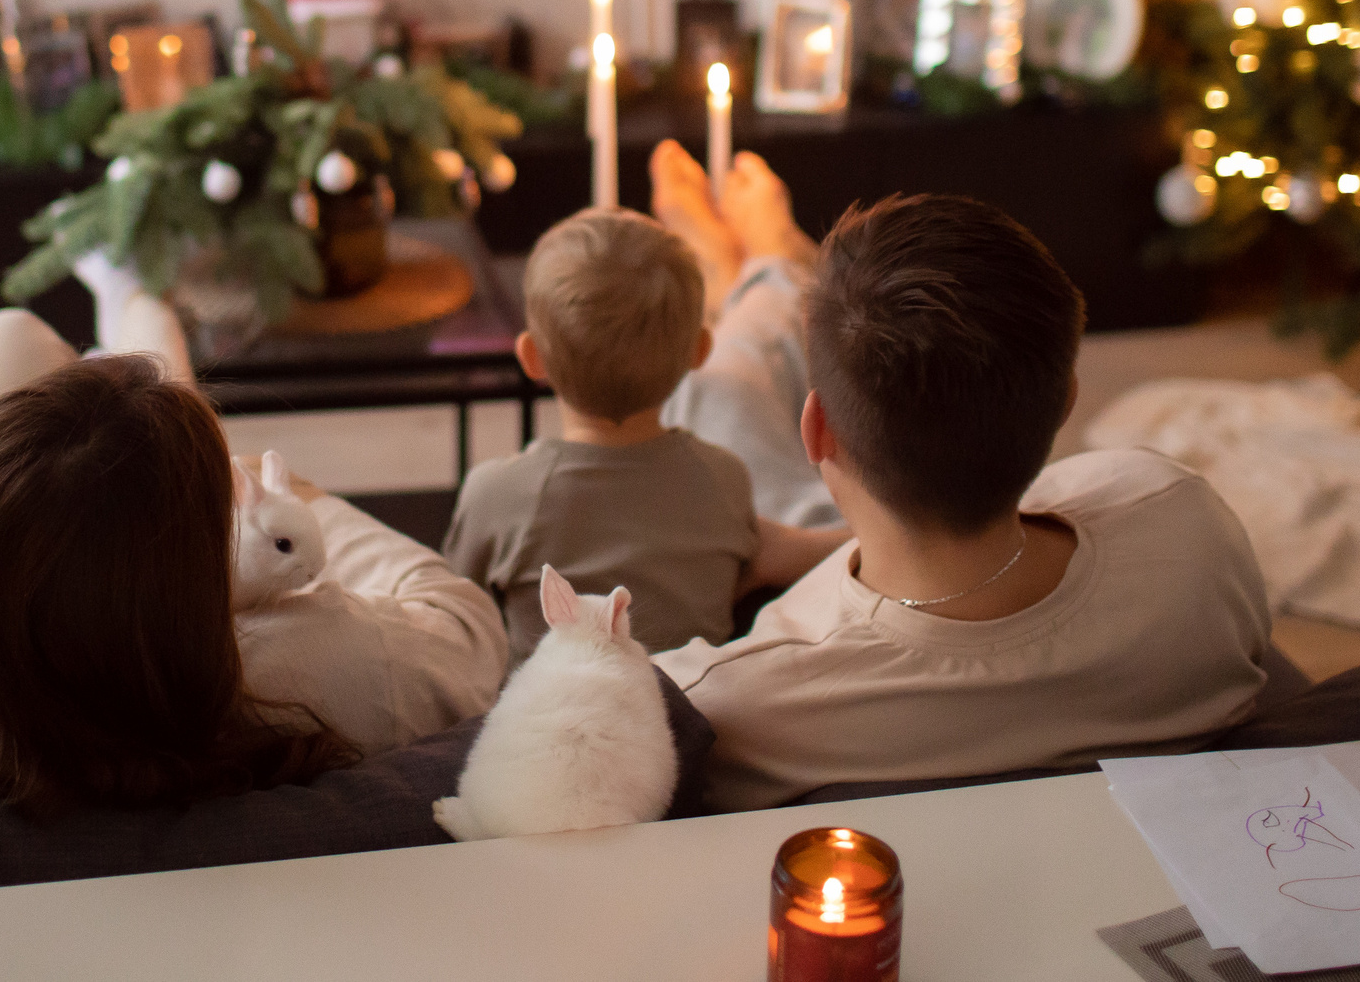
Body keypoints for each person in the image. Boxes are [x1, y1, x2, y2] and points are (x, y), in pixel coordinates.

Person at [0, 268, 508, 822]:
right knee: (83, 379)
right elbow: (467, 625)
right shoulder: (323, 668)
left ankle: (128, 312)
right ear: (189, 584)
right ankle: (137, 303)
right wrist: (293, 501)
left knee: (11, 335)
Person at [650, 175, 1273, 813]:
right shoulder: (1175, 509)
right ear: (1065, 402)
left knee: (719, 392)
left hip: (830, 514)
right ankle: (763, 273)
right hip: (848, 523)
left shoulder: (731, 701)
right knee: (738, 404)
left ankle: (758, 281)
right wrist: (804, 550)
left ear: (818, 430)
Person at [441, 209, 845, 666]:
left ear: (532, 357)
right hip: (687, 720)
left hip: (547, 722)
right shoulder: (723, 480)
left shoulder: (497, 494)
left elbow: (458, 615)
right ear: (700, 352)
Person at [649, 144, 839, 528]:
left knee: (716, 374)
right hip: (830, 529)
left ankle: (740, 276)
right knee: (736, 363)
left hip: (802, 531)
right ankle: (772, 268)